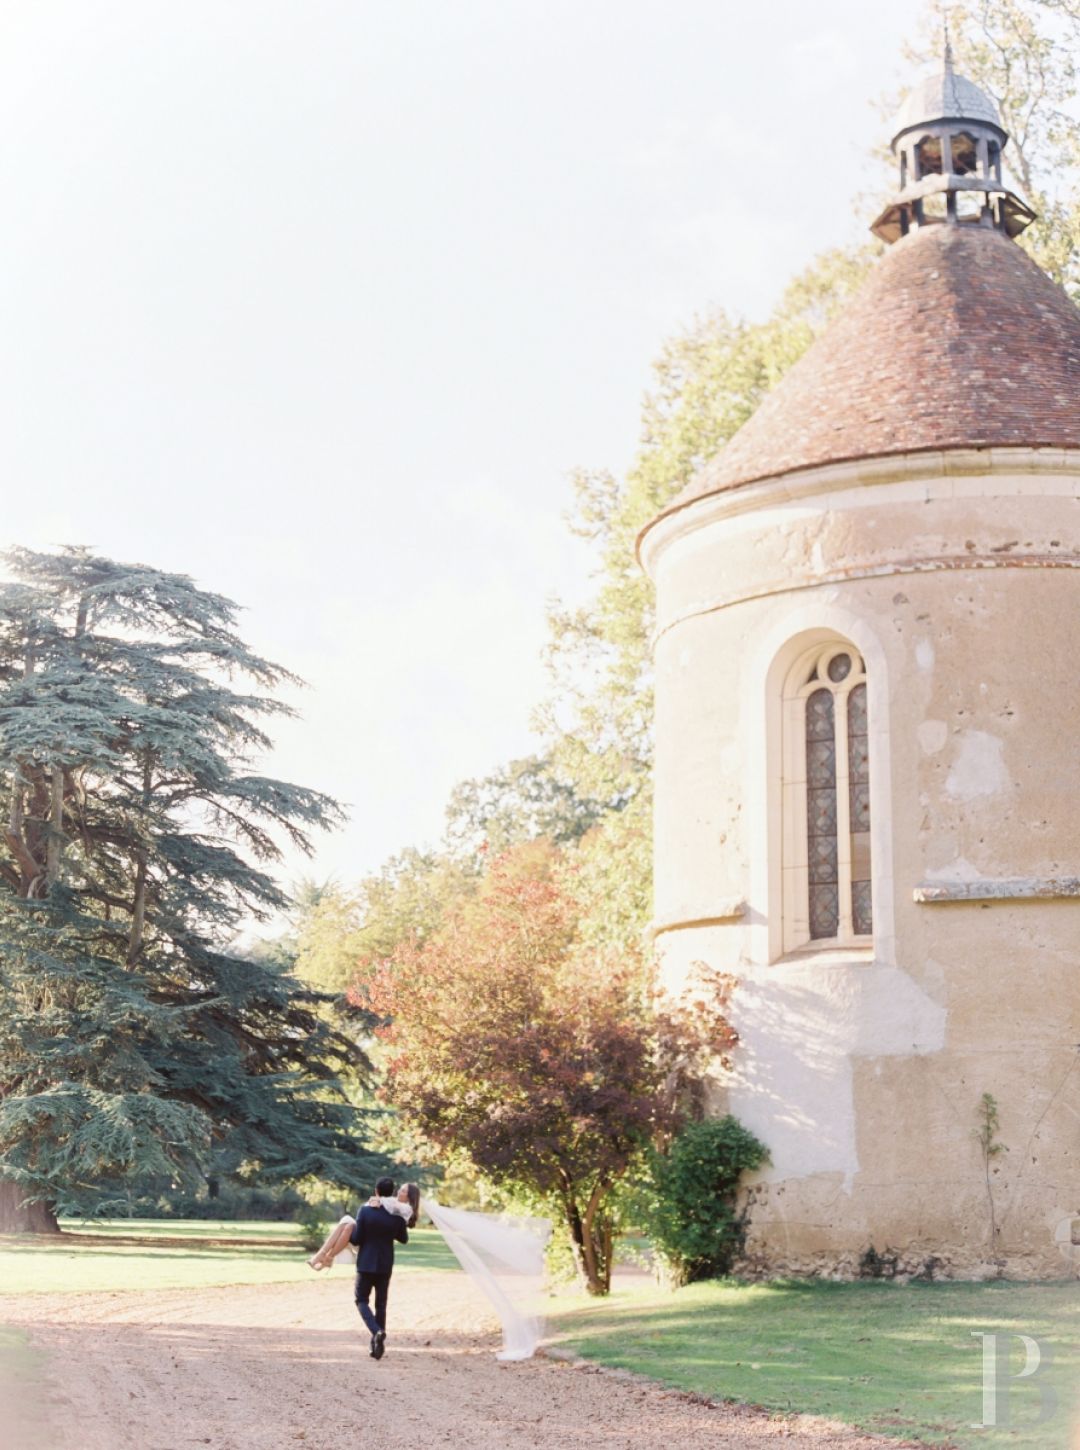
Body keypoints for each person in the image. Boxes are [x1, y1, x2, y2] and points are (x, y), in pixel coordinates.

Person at [350, 1176, 411, 1360]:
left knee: (361, 1300)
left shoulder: (365, 1211)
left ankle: (376, 1331)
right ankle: (378, 1348)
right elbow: (404, 1239)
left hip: (366, 1263)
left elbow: (356, 1239)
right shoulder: (397, 1215)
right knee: (381, 1305)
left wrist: (349, 1230)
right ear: (391, 1193)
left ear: (376, 1191)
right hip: (385, 1264)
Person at [307, 1182, 418, 1271]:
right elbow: (371, 1208)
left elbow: (393, 1206)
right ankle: (326, 1257)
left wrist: (379, 1200)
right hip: (365, 1235)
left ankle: (324, 1256)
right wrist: (376, 1201)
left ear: (409, 1196)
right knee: (348, 1225)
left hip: (371, 1241)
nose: (398, 1191)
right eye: (400, 1189)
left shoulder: (407, 1209)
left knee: (347, 1223)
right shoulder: (393, 1202)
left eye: (403, 1190)